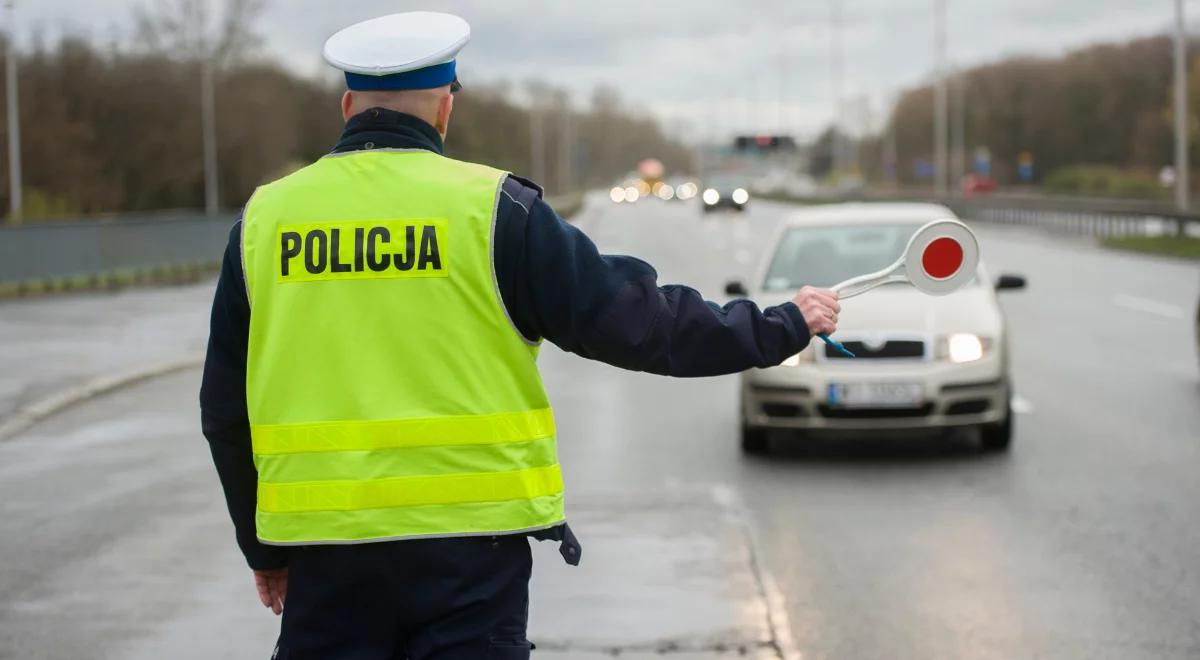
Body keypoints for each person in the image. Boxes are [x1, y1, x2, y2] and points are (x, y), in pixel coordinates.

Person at [199, 11, 840, 660]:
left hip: (323, 561)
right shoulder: (496, 210)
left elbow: (225, 409)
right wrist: (781, 324)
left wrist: (264, 549)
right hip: (470, 561)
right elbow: (642, 325)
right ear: (444, 107)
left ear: (347, 106)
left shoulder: (264, 221)